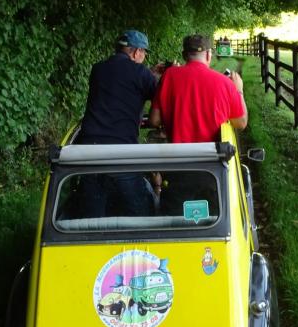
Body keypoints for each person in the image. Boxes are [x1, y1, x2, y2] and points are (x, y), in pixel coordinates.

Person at [74, 30, 160, 218]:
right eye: (144, 53)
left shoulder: (98, 69)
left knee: (92, 213)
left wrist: (148, 74)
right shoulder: (140, 73)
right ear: (136, 52)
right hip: (121, 150)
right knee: (140, 211)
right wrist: (155, 77)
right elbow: (159, 98)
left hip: (89, 149)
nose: (144, 57)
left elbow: (119, 88)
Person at [149, 34, 247, 143]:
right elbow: (241, 123)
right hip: (212, 156)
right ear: (208, 55)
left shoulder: (169, 75)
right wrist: (239, 91)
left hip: (177, 155)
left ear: (184, 55)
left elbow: (154, 120)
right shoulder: (226, 83)